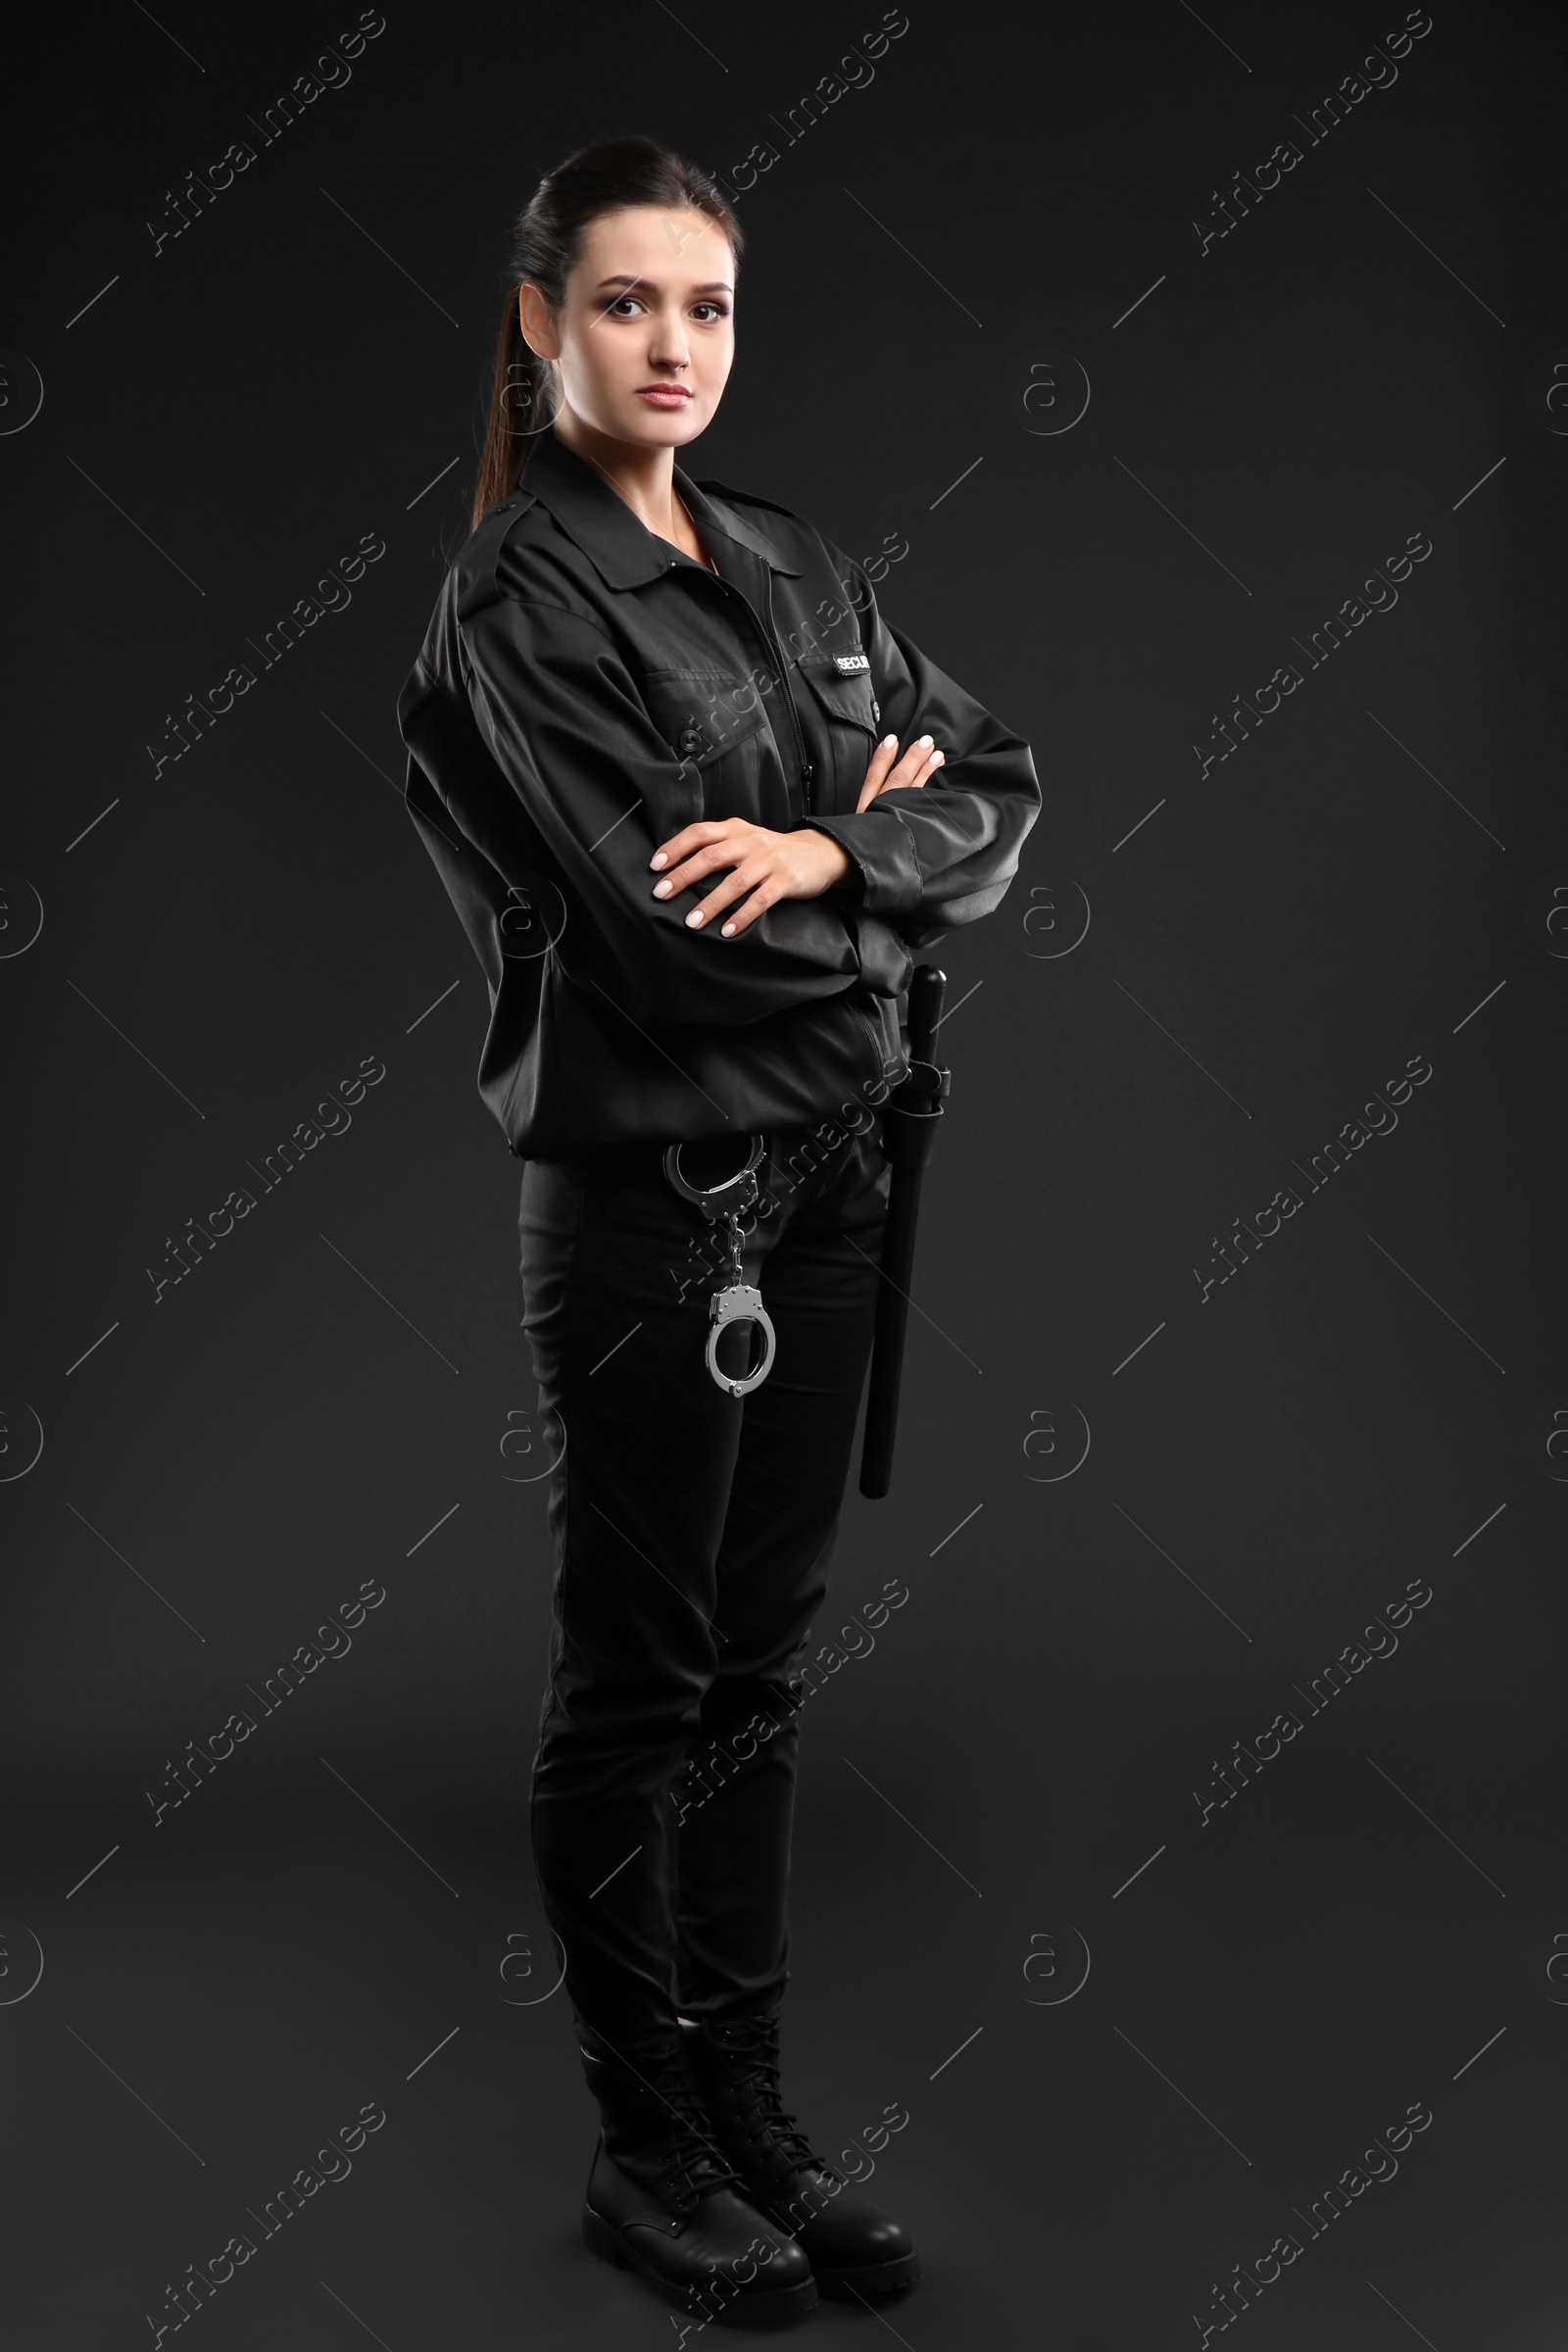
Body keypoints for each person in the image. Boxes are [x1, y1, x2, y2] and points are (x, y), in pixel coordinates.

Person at [398, 134, 1040, 2327]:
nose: (672, 347)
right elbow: (666, 948)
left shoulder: (795, 562)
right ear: (536, 322)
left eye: (708, 308)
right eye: (624, 305)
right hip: (660, 1216)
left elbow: (998, 786)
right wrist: (855, 873)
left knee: (757, 1681)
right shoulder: (517, 605)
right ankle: (645, 2148)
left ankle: (750, 2104)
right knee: (639, 1683)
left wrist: (841, 855)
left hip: (836, 1193)